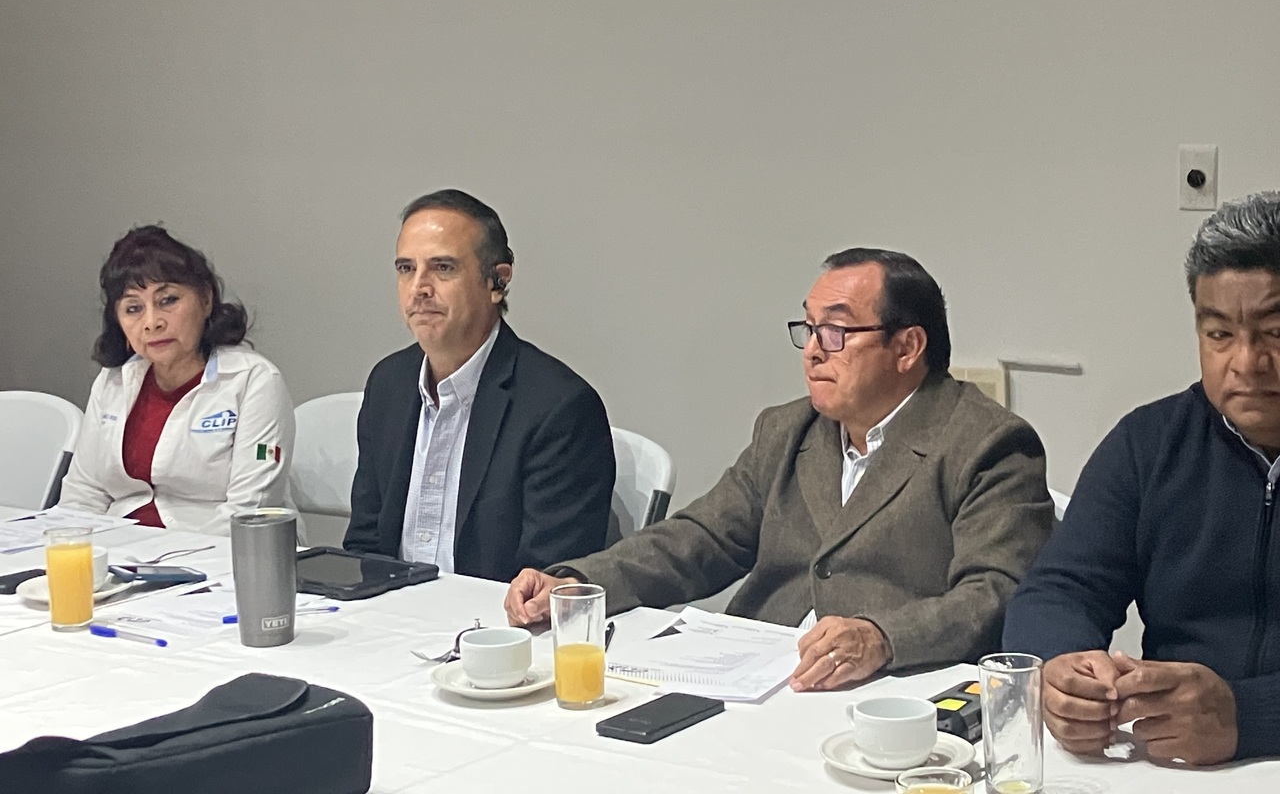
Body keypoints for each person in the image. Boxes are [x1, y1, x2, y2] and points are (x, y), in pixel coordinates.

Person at [506, 248, 1052, 691]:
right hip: (760, 673)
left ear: (907, 346)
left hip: (892, 689)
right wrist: (579, 581)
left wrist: (882, 637)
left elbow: (996, 591)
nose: (812, 351)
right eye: (808, 329)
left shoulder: (987, 443)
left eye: (835, 332)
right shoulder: (788, 429)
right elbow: (702, 538)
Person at [1003, 191, 1280, 766]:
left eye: (1275, 332)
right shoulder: (1149, 443)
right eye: (1219, 334)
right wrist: (1062, 670)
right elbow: (1060, 589)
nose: (1247, 363)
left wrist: (1247, 716)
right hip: (1173, 763)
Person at [343, 189, 615, 582]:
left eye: (443, 268)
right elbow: (365, 546)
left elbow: (548, 580)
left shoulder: (559, 407)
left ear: (497, 282)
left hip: (497, 618)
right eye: (406, 268)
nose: (419, 288)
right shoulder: (388, 385)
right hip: (388, 611)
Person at [58, 225, 294, 535]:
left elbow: (250, 511)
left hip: (223, 553)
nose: (152, 322)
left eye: (168, 300)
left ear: (205, 300)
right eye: (133, 308)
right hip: (119, 550)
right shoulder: (113, 381)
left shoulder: (253, 380)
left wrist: (160, 552)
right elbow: (83, 494)